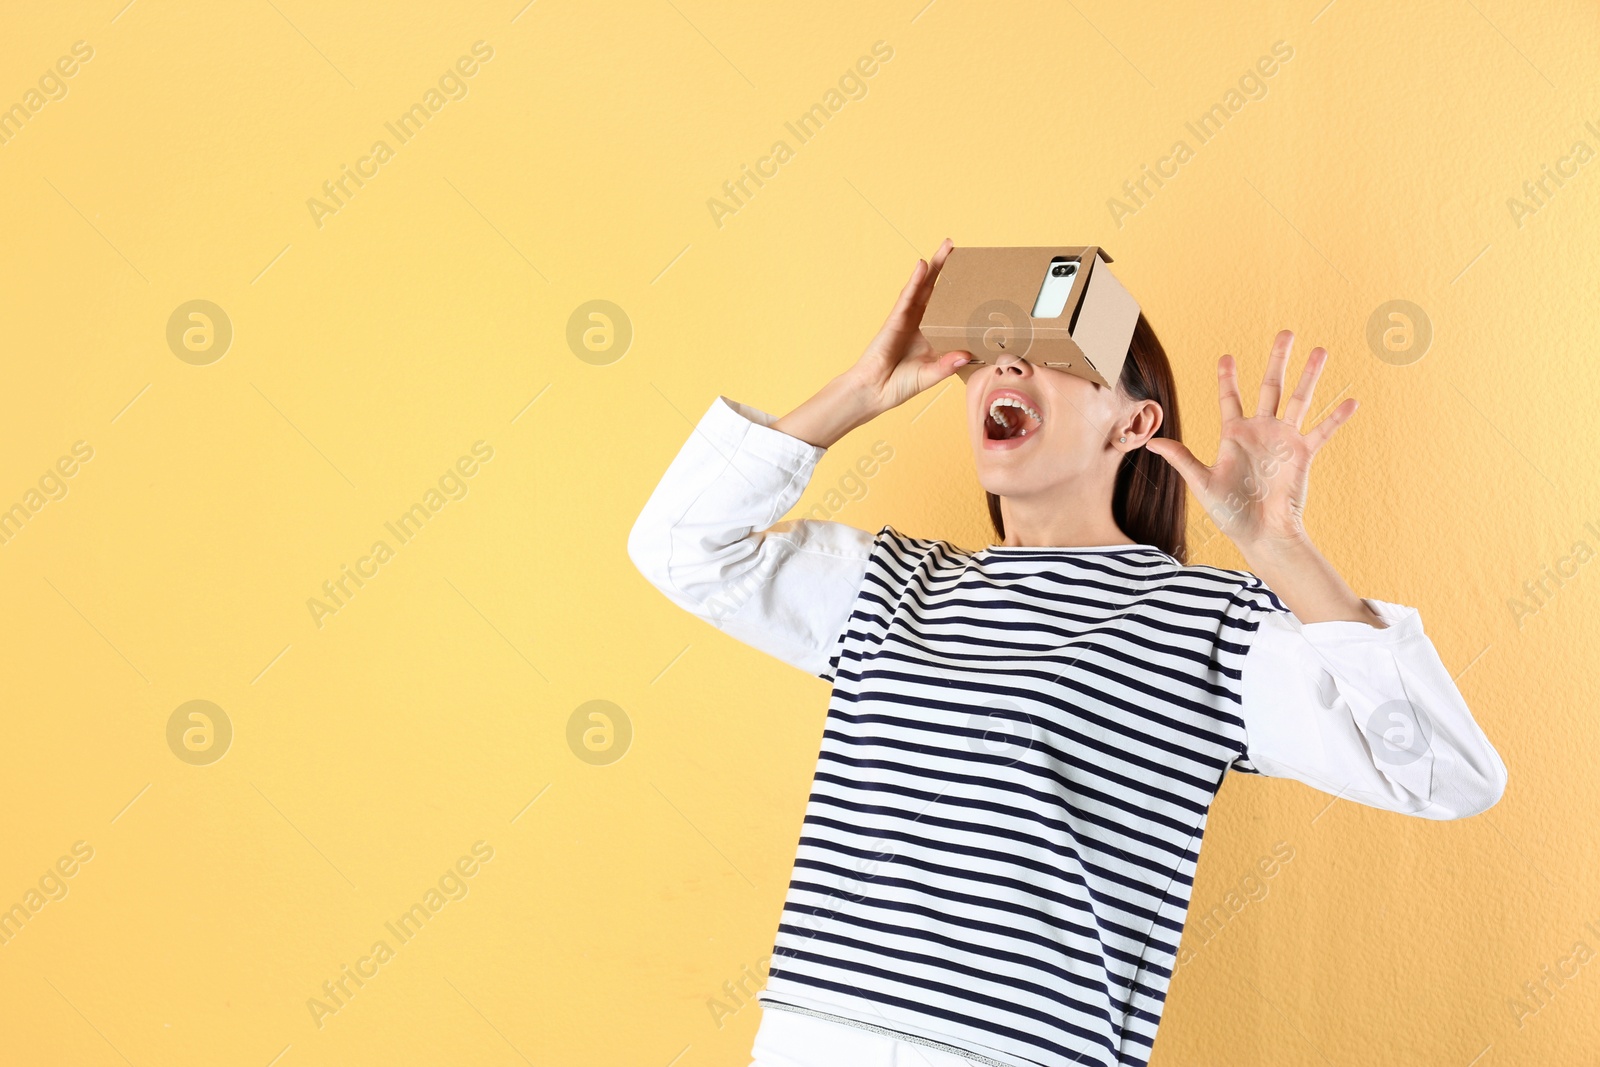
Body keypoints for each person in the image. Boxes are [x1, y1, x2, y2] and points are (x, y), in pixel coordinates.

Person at [627, 239, 1507, 1067]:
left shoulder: (1200, 623)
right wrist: (858, 390)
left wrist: (1280, 550)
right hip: (813, 1036)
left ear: (1134, 426)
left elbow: (1449, 775)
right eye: (993, 351)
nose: (1007, 366)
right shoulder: (894, 586)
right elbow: (681, 546)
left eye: (1059, 353)